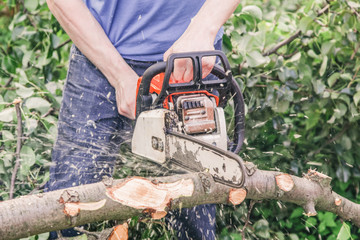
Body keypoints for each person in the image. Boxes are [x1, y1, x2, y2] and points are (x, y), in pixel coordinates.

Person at [46, 0, 240, 239]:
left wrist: (203, 28)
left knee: (194, 205)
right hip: (96, 49)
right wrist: (118, 76)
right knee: (71, 196)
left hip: (189, 58)